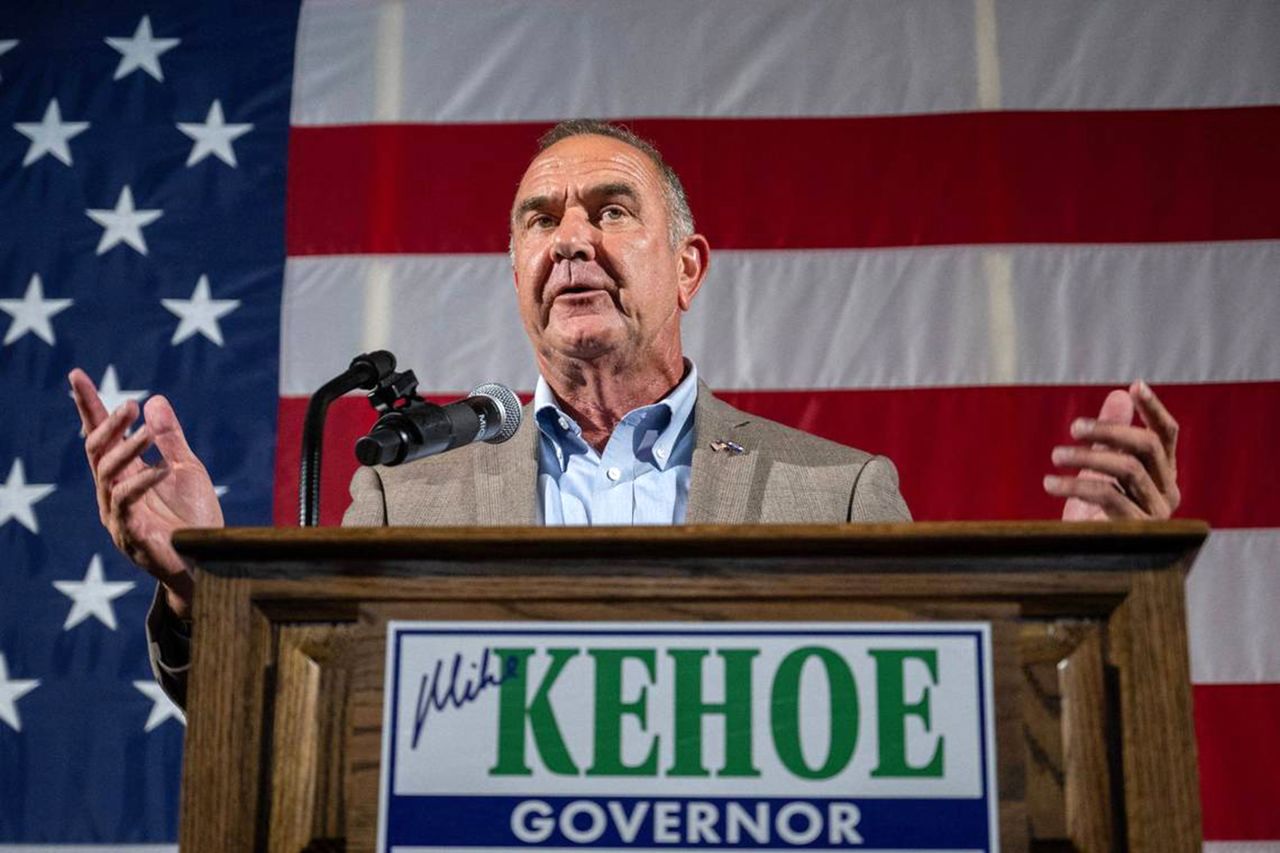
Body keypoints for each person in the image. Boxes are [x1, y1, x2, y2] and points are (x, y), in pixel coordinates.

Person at [68, 120, 1181, 703]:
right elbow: (305, 725)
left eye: (610, 210)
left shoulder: (836, 490)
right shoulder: (404, 489)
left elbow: (933, 733)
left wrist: (1085, 604)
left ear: (687, 264)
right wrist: (193, 587)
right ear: (515, 270)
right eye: (537, 220)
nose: (568, 240)